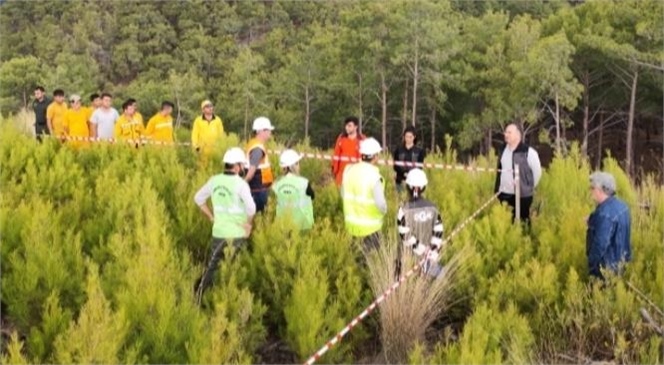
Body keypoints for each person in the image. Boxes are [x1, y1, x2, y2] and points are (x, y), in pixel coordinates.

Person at [194, 147, 256, 301]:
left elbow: (198, 199)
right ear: (236, 166)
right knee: (234, 270)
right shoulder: (241, 184)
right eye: (242, 165)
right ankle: (230, 301)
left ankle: (199, 298)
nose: (243, 168)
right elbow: (251, 208)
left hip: (219, 233)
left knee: (213, 268)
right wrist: (248, 225)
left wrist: (211, 217)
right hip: (237, 235)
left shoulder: (214, 181)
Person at [395, 168, 444, 278]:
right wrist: (431, 252)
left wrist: (421, 249)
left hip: (407, 262)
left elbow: (405, 237)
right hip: (429, 262)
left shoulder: (403, 210)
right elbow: (439, 232)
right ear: (424, 187)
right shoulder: (433, 208)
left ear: (407, 187)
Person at [342, 137, 387, 253]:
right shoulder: (374, 177)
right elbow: (381, 204)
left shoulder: (348, 170)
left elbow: (343, 194)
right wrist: (385, 212)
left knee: (353, 261)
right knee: (370, 262)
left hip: (351, 226)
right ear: (376, 156)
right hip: (371, 229)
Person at [586, 172, 631, 280]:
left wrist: (591, 265)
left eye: (592, 188)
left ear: (601, 189)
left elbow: (600, 245)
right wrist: (591, 219)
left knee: (599, 296)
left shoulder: (604, 214)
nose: (591, 191)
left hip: (605, 271)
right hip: (621, 265)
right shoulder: (623, 206)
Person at [494, 123, 542, 224]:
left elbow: (537, 172)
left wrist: (529, 187)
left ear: (517, 135)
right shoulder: (502, 150)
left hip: (523, 195)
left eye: (509, 132)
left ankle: (525, 239)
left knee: (523, 222)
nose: (506, 134)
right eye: (505, 132)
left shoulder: (529, 152)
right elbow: (500, 170)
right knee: (504, 223)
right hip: (504, 194)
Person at [272, 149, 315, 230]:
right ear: (293, 165)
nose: (299, 166)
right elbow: (312, 196)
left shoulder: (277, 184)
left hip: (283, 226)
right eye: (297, 163)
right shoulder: (304, 183)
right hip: (303, 225)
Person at [245, 117, 275, 213]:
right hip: (257, 191)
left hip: (259, 189)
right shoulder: (257, 148)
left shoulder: (255, 144)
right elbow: (251, 170)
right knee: (259, 218)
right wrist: (242, 184)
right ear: (262, 131)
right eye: (268, 130)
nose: (270, 132)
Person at [332, 117, 365, 187]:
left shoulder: (362, 139)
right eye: (346, 125)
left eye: (349, 126)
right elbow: (336, 155)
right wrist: (334, 171)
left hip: (357, 176)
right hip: (341, 175)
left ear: (356, 127)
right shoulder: (341, 138)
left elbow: (366, 158)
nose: (347, 128)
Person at [393, 125, 426, 193]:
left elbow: (420, 167)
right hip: (400, 181)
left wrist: (410, 175)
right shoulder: (398, 150)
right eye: (406, 136)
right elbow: (395, 166)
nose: (408, 139)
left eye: (410, 137)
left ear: (414, 137)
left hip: (413, 183)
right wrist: (404, 174)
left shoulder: (419, 151)